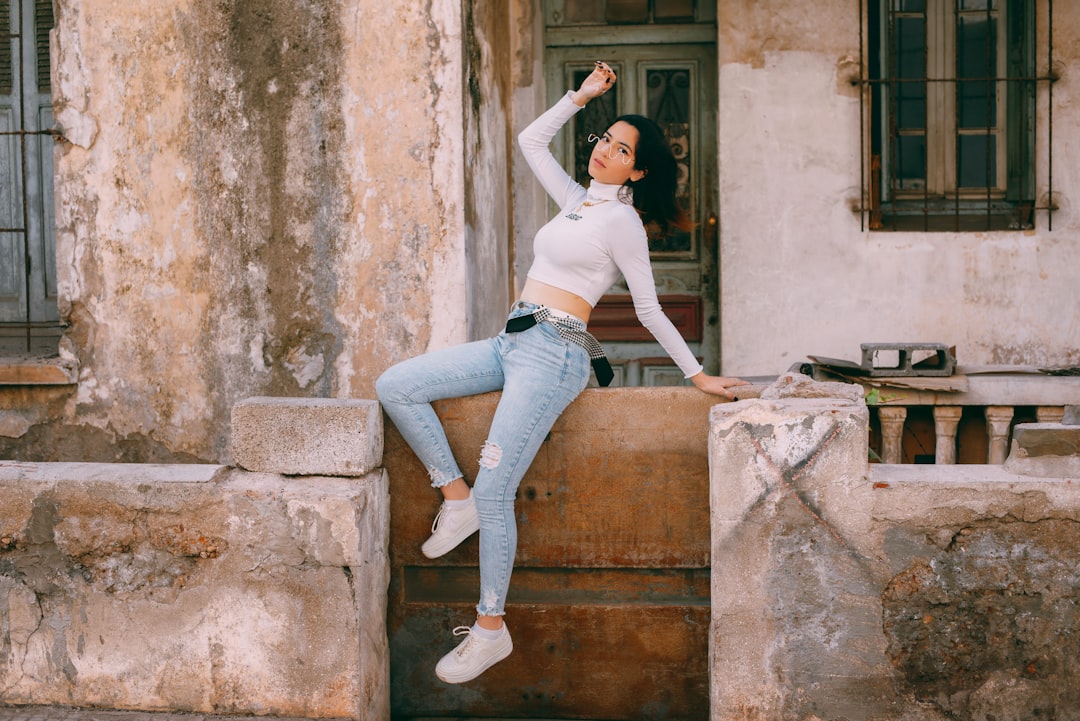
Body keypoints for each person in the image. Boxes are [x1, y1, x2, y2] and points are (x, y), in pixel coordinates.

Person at [375, 61, 747, 685]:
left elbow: (650, 308)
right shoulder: (577, 201)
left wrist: (697, 375)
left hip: (556, 354)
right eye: (606, 139)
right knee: (397, 386)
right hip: (511, 338)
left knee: (500, 488)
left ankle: (491, 627)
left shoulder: (623, 224)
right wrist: (580, 98)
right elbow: (529, 141)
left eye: (621, 148)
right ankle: (454, 498)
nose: (605, 150)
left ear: (640, 168)